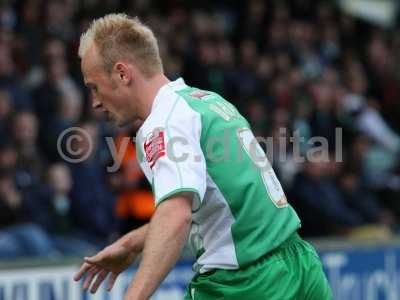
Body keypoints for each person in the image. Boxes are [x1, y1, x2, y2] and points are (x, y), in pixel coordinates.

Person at [73, 13, 332, 300]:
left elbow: (177, 215)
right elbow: (217, 206)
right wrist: (133, 243)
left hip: (245, 282)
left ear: (122, 73)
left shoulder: (163, 125)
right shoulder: (206, 101)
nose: (95, 102)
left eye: (94, 87)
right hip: (298, 264)